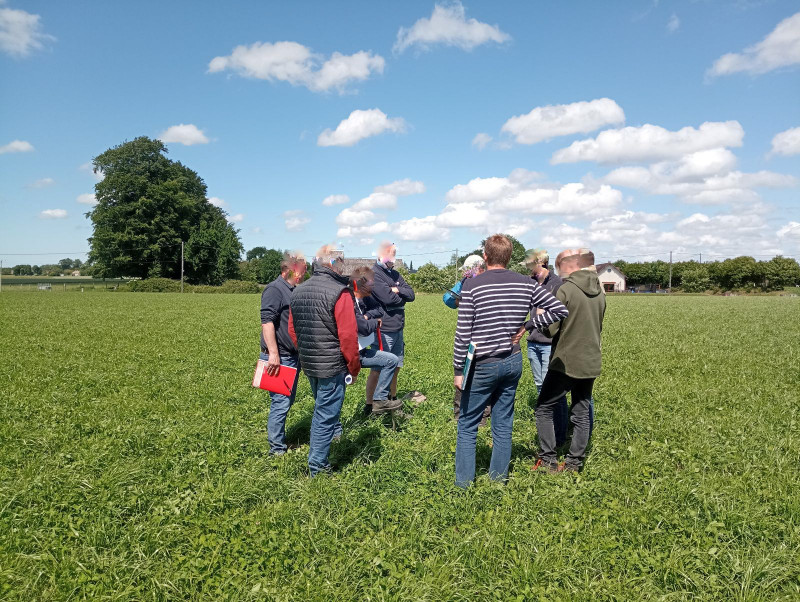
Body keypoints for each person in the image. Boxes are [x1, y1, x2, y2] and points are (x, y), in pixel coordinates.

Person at [453, 234, 568, 488]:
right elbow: (560, 310)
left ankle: (463, 486)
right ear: (508, 257)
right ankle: (498, 481)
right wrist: (528, 325)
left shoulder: (472, 286)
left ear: (485, 256)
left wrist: (457, 370)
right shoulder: (525, 283)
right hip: (512, 361)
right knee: (503, 424)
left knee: (468, 424)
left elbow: (463, 333)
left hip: (481, 364)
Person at [529, 248, 606, 473]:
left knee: (543, 408)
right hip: (591, 360)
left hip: (565, 360)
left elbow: (550, 330)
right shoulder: (600, 290)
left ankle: (548, 460)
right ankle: (574, 463)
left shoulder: (566, 290)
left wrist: (542, 316)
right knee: (581, 412)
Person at [288, 245, 361, 476]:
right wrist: (354, 366)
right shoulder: (340, 292)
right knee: (325, 415)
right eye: (341, 262)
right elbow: (348, 336)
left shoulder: (298, 290)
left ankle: (321, 454)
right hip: (332, 365)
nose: (343, 267)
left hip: (309, 362)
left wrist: (306, 351)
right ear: (333, 264)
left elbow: (292, 329)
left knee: (322, 408)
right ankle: (318, 466)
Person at [259, 252, 307, 456]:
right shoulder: (274, 289)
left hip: (291, 355)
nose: (305, 274)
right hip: (280, 357)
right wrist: (273, 354)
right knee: (281, 402)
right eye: (303, 270)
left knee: (285, 400)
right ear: (291, 269)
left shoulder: (292, 289)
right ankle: (276, 450)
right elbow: (267, 321)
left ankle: (278, 443)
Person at [522, 249, 569, 446]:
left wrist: (543, 312)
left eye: (530, 265)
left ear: (541, 263)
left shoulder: (557, 284)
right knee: (540, 386)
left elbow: (561, 312)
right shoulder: (531, 283)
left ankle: (560, 432)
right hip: (533, 341)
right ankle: (547, 427)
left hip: (549, 343)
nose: (528, 269)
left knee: (553, 391)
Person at [366, 242, 415, 411]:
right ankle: (370, 405)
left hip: (398, 326)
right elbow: (388, 299)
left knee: (396, 366)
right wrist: (398, 292)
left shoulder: (395, 274)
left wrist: (397, 289)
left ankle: (392, 399)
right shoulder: (375, 274)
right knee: (378, 368)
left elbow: (411, 294)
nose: (393, 260)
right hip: (384, 328)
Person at [446, 254, 492, 424]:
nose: (465, 272)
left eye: (468, 269)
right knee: (463, 374)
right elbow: (447, 299)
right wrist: (460, 300)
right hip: (469, 336)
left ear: (477, 267)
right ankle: (460, 414)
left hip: (486, 336)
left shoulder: (489, 281)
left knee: (485, 376)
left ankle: (484, 416)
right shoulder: (466, 282)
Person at [350, 266, 401, 416]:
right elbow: (363, 328)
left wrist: (367, 316)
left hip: (362, 350)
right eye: (371, 284)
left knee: (391, 360)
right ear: (359, 285)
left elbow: (379, 310)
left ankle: (379, 400)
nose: (374, 287)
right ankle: (372, 404)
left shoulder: (366, 298)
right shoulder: (350, 302)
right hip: (350, 353)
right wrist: (374, 322)